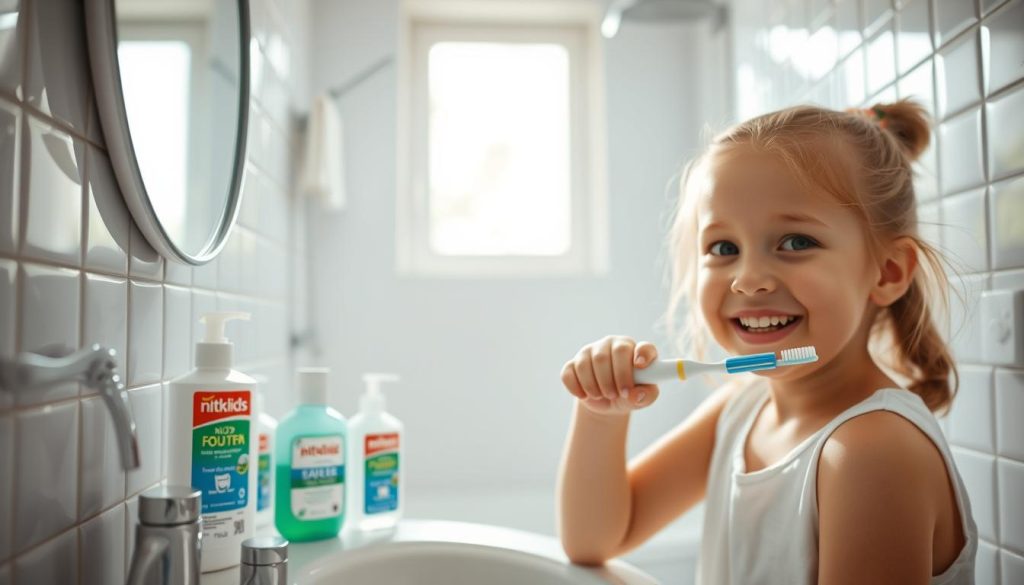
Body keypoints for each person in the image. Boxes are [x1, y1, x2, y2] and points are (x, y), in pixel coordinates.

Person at [557, 100, 978, 584]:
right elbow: (594, 539)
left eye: (796, 242)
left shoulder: (871, 451)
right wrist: (600, 411)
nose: (748, 279)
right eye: (723, 248)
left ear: (887, 272)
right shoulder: (743, 410)